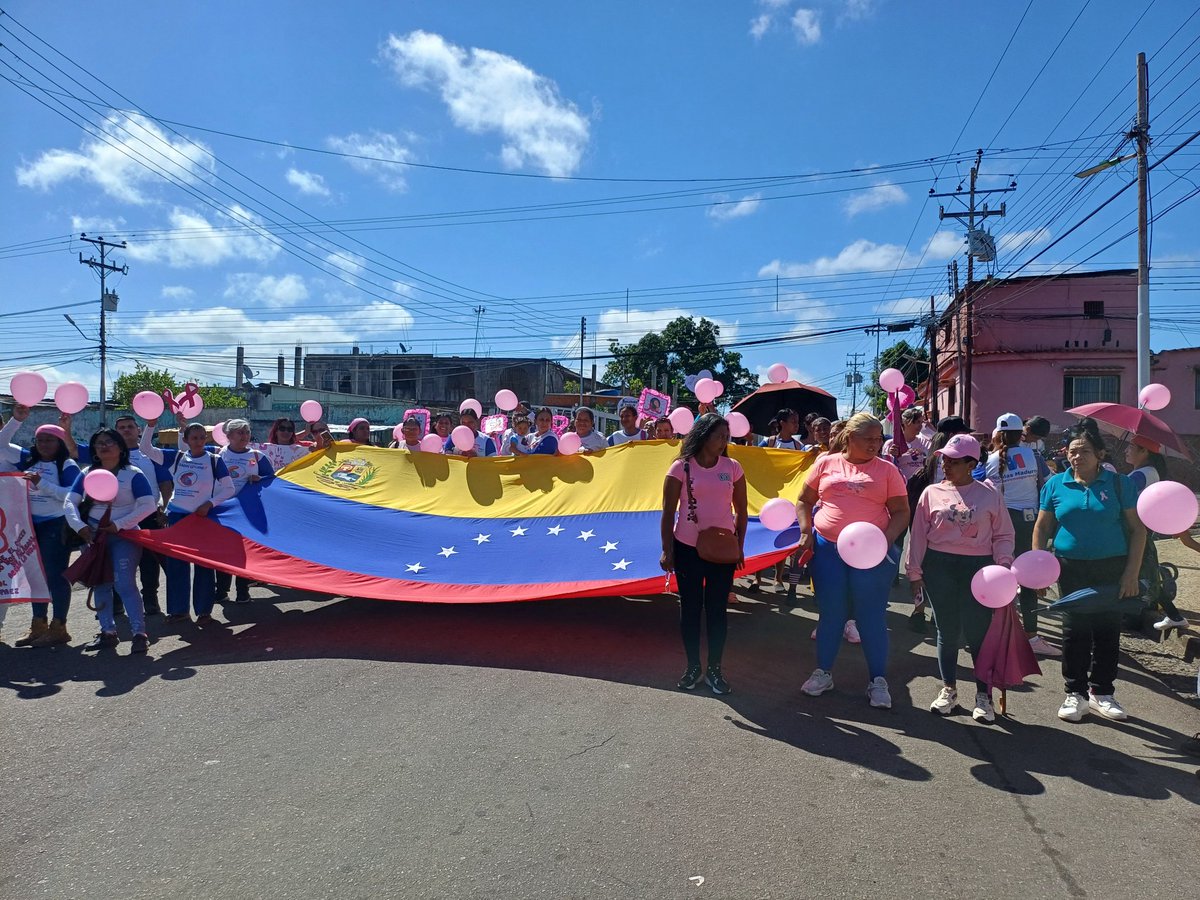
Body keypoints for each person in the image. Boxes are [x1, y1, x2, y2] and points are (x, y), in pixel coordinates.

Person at [1033, 419, 1146, 723]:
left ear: (1099, 454)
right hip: (1070, 568)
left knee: (1107, 630)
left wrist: (1131, 573)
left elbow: (1138, 530)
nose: (1076, 457)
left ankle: (1103, 692)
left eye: (1083, 451)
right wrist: (1038, 567)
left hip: (1112, 566)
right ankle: (1075, 692)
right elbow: (1043, 526)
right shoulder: (1055, 484)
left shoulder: (1120, 484)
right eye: (1072, 451)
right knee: (1074, 631)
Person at [796, 412, 910, 708]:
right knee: (831, 613)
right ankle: (823, 673)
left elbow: (901, 511)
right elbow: (804, 501)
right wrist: (806, 532)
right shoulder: (825, 463)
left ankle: (878, 681)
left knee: (870, 616)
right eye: (869, 438)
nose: (876, 444)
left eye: (878, 439)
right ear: (849, 438)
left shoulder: (887, 470)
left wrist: (885, 541)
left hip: (871, 554)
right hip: (828, 549)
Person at [908, 434, 1015, 722]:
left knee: (978, 632)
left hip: (979, 568)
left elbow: (1004, 533)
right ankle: (949, 690)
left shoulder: (989, 493)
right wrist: (914, 570)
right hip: (939, 565)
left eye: (954, 460)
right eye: (944, 458)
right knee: (947, 630)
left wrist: (1003, 565)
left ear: (971, 464)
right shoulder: (931, 493)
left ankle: (984, 695)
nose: (946, 464)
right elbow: (917, 533)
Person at [659, 413, 747, 695]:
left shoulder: (733, 467)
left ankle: (715, 669)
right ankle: (693, 666)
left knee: (718, 610)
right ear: (703, 435)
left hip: (722, 551)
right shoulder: (680, 468)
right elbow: (667, 513)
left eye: (726, 436)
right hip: (687, 547)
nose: (724, 441)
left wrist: (740, 546)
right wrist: (667, 550)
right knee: (691, 607)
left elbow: (742, 512)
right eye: (718, 436)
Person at [64, 428, 157, 654]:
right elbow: (69, 502)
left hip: (124, 536)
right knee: (100, 583)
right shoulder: (87, 473)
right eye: (99, 443)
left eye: (110, 442)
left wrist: (119, 524)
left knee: (124, 583)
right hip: (93, 537)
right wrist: (81, 527)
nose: (105, 446)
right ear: (94, 450)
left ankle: (139, 634)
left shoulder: (133, 473)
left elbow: (148, 505)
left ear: (120, 447)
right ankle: (108, 632)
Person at [983, 413, 1061, 658]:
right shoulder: (1034, 456)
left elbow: (988, 494)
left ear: (998, 433)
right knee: (1027, 581)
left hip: (1001, 524)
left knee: (1001, 576)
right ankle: (1032, 636)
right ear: (1021, 434)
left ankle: (999, 632)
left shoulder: (991, 460)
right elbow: (1047, 485)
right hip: (1029, 522)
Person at [7, 424, 81, 647]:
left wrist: (42, 483)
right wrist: (17, 420)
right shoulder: (29, 461)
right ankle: (38, 625)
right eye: (40, 440)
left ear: (59, 443)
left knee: (55, 576)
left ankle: (59, 627)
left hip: (55, 525)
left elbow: (72, 495)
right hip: (29, 526)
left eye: (50, 440)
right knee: (33, 576)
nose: (44, 444)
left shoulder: (67, 465)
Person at [163, 423, 236, 623]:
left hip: (202, 517)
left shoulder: (214, 460)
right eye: (194, 438)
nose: (198, 441)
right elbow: (145, 450)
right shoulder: (177, 457)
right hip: (177, 517)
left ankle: (204, 611)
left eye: (202, 437)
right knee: (177, 564)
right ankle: (179, 610)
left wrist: (209, 504)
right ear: (185, 440)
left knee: (204, 565)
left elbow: (229, 489)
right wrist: (151, 426)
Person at [113, 414, 175, 618]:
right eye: (121, 427)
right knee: (117, 561)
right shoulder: (108, 454)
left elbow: (165, 483)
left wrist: (165, 509)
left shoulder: (151, 454)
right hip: (117, 516)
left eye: (130, 426)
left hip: (149, 514)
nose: (126, 430)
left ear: (139, 430)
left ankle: (150, 601)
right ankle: (116, 604)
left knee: (149, 561)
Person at [1125, 438, 1186, 630]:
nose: (1126, 450)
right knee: (1147, 573)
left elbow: (1121, 494)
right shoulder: (1145, 472)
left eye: (1131, 447)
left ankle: (1174, 616)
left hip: (1137, 533)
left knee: (1149, 575)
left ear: (1144, 452)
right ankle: (1173, 616)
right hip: (1138, 532)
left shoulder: (1144, 474)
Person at [214, 419, 274, 604]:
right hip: (223, 510)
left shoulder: (258, 456)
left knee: (245, 552)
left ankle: (242, 590)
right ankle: (222, 591)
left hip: (248, 512)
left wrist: (260, 478)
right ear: (229, 436)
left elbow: (272, 480)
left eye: (246, 432)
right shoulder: (218, 455)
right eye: (239, 432)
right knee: (223, 551)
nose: (244, 436)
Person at [883, 407, 928, 482]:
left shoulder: (925, 442)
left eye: (921, 422)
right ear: (907, 422)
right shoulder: (891, 444)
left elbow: (932, 463)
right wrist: (892, 456)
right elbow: (884, 467)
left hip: (919, 487)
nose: (921, 426)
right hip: (899, 486)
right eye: (918, 422)